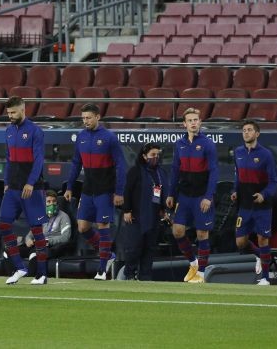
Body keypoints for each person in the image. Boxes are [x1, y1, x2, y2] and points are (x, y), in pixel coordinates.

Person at [65, 103, 127, 280]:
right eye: (83, 118)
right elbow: (76, 163)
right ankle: (108, 254)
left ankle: (102, 268)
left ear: (98, 117)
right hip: (88, 189)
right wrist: (70, 186)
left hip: (105, 189)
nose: (85, 121)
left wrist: (119, 192)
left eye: (89, 117)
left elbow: (121, 166)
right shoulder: (81, 137)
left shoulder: (109, 137)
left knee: (103, 226)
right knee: (83, 227)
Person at [0, 96, 49, 285]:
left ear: (23, 110)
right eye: (8, 113)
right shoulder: (9, 131)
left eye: (13, 112)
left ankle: (42, 275)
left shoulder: (35, 131)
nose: (10, 116)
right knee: (4, 225)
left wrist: (30, 182)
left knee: (37, 231)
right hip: (12, 188)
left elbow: (38, 160)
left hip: (32, 189)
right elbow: (8, 159)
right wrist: (6, 181)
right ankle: (20, 267)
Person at [167, 107, 219, 283]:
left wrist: (208, 196)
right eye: (190, 120)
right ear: (184, 124)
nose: (193, 123)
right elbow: (175, 170)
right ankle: (194, 263)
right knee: (177, 231)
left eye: (196, 119)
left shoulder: (207, 144)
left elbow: (214, 171)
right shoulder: (180, 144)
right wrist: (171, 194)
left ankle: (202, 274)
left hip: (201, 195)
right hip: (184, 195)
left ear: (200, 122)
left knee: (202, 234)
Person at [231, 121, 277, 286]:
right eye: (244, 130)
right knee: (240, 242)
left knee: (263, 239)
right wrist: (234, 191)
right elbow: (237, 176)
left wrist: (263, 195)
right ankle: (260, 255)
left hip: (262, 206)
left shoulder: (266, 155)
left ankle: (265, 277)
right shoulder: (237, 152)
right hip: (244, 205)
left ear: (257, 134)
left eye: (249, 130)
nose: (246, 133)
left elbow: (274, 181)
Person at [122, 143, 168, 281]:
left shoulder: (161, 173)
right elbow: (127, 191)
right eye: (152, 155)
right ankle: (129, 274)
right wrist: (126, 210)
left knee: (150, 248)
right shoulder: (135, 171)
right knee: (134, 248)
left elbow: (162, 193)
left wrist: (163, 210)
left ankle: (145, 277)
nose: (155, 158)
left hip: (154, 216)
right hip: (136, 215)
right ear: (144, 156)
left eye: (157, 155)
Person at [20, 190, 73, 269]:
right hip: (36, 245)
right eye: (48, 201)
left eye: (54, 201)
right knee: (9, 251)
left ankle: (31, 277)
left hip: (52, 247)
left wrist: (47, 241)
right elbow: (30, 234)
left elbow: (65, 237)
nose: (52, 204)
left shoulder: (64, 216)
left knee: (34, 253)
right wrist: (28, 240)